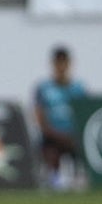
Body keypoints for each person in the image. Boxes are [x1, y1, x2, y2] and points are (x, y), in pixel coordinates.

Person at [33, 45, 87, 191]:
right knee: (50, 149)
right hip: (53, 136)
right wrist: (52, 133)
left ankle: (78, 178)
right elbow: (39, 115)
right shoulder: (44, 88)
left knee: (80, 145)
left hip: (73, 136)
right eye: (58, 63)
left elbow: (84, 114)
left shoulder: (78, 88)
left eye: (64, 62)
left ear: (69, 64)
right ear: (53, 64)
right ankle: (53, 179)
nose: (61, 67)